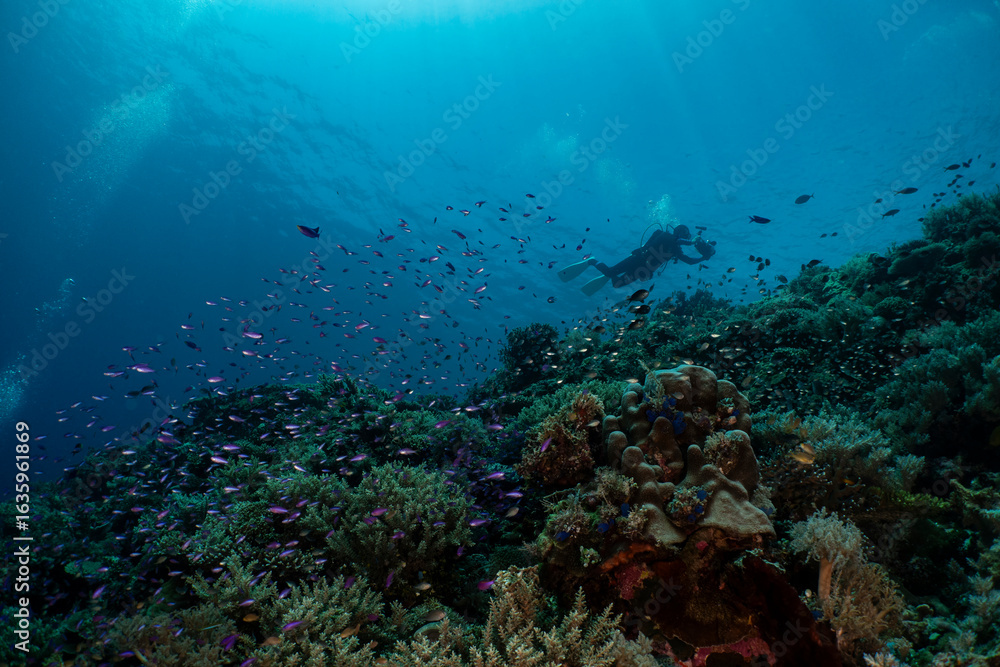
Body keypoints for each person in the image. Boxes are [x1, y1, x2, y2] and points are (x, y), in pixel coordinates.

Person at [559, 225, 716, 295]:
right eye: (685, 235)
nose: (687, 237)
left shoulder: (676, 249)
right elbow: (677, 240)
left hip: (644, 271)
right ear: (679, 233)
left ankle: (609, 275)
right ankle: (592, 261)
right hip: (636, 260)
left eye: (688, 236)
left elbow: (689, 261)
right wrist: (692, 242)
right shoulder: (666, 235)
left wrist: (703, 257)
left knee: (617, 284)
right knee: (609, 272)